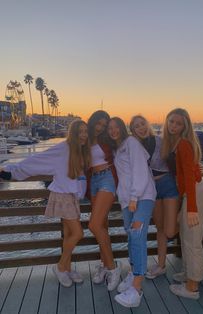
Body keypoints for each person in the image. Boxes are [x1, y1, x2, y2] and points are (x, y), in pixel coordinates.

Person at [0, 119, 90, 288]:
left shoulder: (80, 150)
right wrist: (11, 171)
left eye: (86, 131)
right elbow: (38, 160)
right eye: (80, 131)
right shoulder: (64, 148)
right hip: (63, 196)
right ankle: (60, 266)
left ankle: (67, 269)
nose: (84, 134)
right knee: (78, 234)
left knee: (69, 234)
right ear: (73, 133)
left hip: (71, 197)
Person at [162, 108, 203, 300]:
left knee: (192, 240)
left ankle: (192, 287)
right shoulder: (175, 142)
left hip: (195, 192)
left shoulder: (183, 143)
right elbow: (186, 171)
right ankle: (188, 272)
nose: (173, 126)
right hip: (190, 192)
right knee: (185, 234)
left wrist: (191, 207)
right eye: (171, 121)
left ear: (185, 126)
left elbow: (190, 176)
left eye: (178, 123)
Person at [107, 117, 156, 308]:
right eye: (109, 128)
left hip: (142, 196)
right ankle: (133, 272)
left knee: (137, 235)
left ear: (122, 128)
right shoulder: (117, 149)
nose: (113, 130)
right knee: (131, 236)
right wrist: (125, 199)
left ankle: (136, 289)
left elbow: (140, 172)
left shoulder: (131, 143)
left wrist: (134, 198)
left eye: (116, 127)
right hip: (128, 200)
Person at [130, 115, 179, 279]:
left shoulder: (160, 141)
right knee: (160, 228)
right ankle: (161, 265)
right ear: (133, 131)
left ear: (147, 124)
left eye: (142, 123)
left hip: (168, 184)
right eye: (137, 126)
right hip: (152, 189)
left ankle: (182, 221)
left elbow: (178, 158)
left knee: (170, 231)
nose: (141, 128)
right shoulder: (134, 146)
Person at [87, 110, 121, 291]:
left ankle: (113, 268)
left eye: (104, 125)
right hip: (93, 181)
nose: (100, 128)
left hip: (107, 177)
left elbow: (126, 149)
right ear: (92, 122)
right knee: (102, 226)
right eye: (98, 124)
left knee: (93, 225)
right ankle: (104, 264)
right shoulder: (83, 138)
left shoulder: (107, 140)